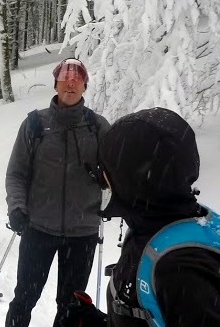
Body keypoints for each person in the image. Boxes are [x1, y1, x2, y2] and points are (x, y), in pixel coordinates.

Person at [58, 107, 220, 327]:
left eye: (108, 166)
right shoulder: (158, 225)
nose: (102, 175)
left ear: (131, 177)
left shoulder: (181, 270)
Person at [4, 58, 111, 327]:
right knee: (24, 299)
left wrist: (112, 197)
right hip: (38, 228)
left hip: (82, 233)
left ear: (85, 86)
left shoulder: (98, 127)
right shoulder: (35, 124)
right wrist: (17, 208)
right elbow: (16, 173)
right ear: (56, 84)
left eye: (77, 79)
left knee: (71, 308)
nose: (71, 83)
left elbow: (116, 174)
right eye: (65, 78)